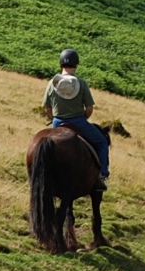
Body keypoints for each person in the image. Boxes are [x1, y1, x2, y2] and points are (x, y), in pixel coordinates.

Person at [45, 48, 109, 183]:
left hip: (57, 122)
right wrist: (83, 118)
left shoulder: (52, 83)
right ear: (76, 65)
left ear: (61, 64)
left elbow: (48, 108)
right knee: (102, 142)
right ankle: (102, 174)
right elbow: (90, 109)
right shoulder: (82, 83)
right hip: (79, 122)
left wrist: (55, 118)